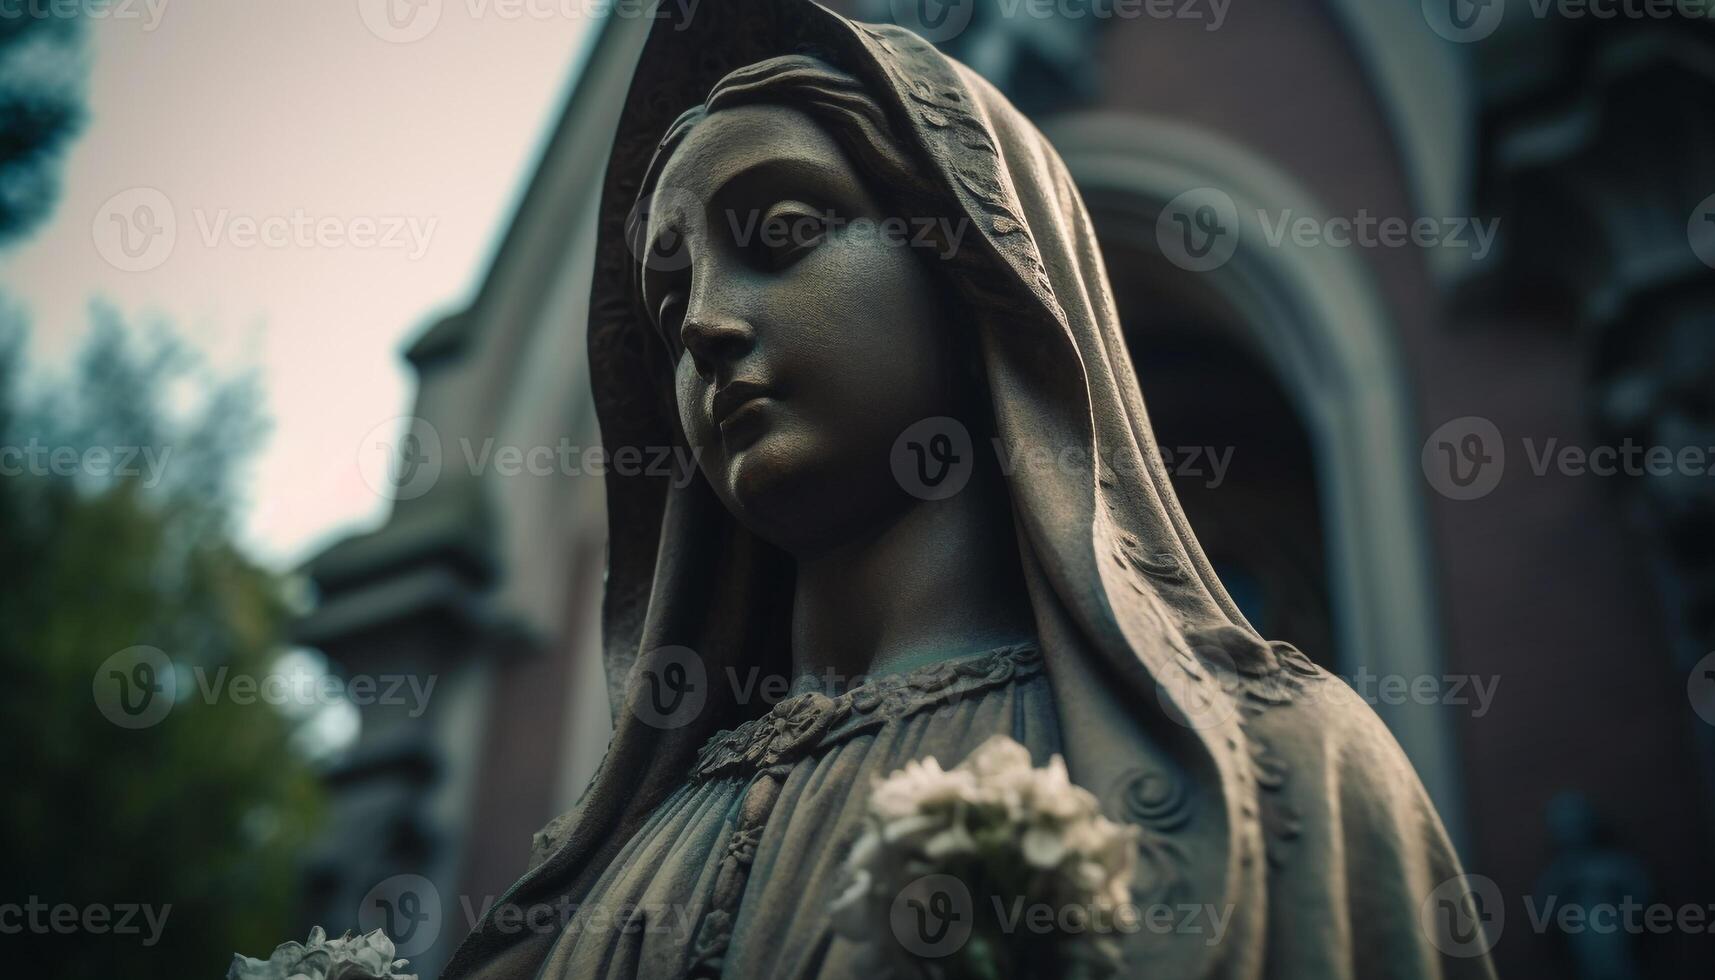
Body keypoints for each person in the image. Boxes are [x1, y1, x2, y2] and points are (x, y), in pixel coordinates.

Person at [445, 4, 1495, 978]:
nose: (702, 324)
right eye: (668, 295)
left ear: (974, 272)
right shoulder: (597, 890)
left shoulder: (1275, 778)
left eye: (781, 233)